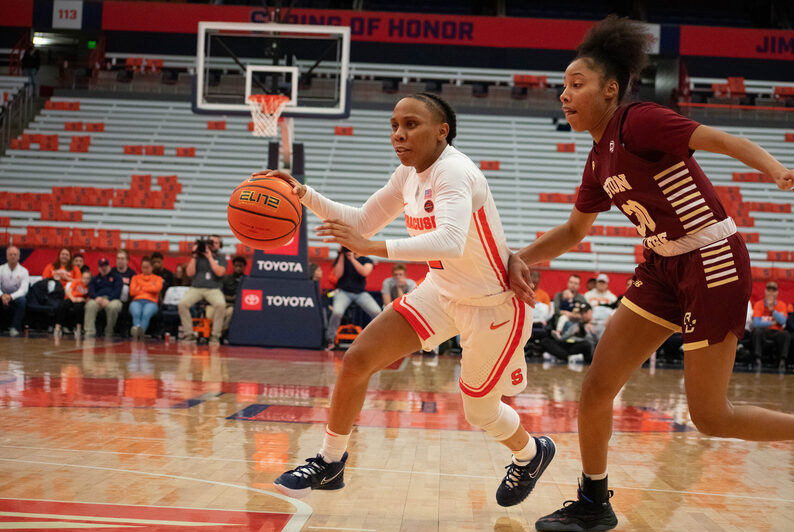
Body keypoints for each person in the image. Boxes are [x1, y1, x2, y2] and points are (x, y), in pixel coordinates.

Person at [504, 16, 794, 532]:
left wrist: (776, 170)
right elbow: (574, 231)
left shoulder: (639, 120)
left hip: (712, 259)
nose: (564, 94)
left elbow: (721, 139)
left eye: (576, 84)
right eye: (562, 85)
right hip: (661, 265)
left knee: (711, 416)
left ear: (611, 89)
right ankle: (594, 500)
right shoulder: (598, 158)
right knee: (597, 386)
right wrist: (520, 256)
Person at [266, 93, 555, 507]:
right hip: (441, 290)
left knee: (480, 413)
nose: (399, 135)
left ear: (442, 131)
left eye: (411, 125)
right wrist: (302, 194)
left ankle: (531, 453)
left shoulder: (455, 172)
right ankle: (330, 462)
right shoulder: (407, 175)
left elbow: (451, 242)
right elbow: (363, 220)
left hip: (492, 305)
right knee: (357, 360)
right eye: (394, 126)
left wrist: (372, 247)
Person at [324, 246, 382, 348]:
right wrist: (341, 255)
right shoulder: (342, 258)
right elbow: (337, 275)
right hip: (343, 291)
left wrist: (352, 259)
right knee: (337, 312)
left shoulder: (366, 259)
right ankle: (330, 339)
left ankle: (376, 339)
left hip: (360, 293)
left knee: (377, 312)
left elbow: (364, 272)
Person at [178, 235, 227, 345]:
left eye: (216, 243)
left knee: (221, 305)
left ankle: (215, 336)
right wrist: (194, 256)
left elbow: (220, 272)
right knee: (182, 304)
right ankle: (188, 335)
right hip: (196, 288)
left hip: (213, 289)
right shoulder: (198, 257)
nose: (213, 244)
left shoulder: (221, 258)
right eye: (211, 242)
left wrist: (210, 257)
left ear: (220, 245)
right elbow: (189, 273)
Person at [751, 281, 791, 370]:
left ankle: (782, 361)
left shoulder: (781, 305)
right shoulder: (759, 304)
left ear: (777, 293)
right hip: (763, 331)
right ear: (765, 291)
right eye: (769, 290)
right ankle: (757, 359)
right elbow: (756, 323)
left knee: (786, 335)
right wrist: (772, 323)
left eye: (773, 290)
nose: (771, 293)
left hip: (777, 332)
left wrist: (772, 310)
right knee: (756, 331)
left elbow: (783, 321)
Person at [84, 258, 123, 339]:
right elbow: (91, 291)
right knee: (90, 305)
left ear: (109, 266)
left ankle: (109, 331)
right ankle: (89, 331)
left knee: (113, 307)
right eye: (101, 266)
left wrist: (108, 299)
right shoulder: (94, 279)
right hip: (98, 299)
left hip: (113, 299)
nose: (103, 268)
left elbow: (118, 291)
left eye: (105, 266)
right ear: (98, 268)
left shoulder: (116, 277)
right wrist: (96, 298)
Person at [208, 255, 246, 335]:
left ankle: (220, 332)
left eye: (240, 266)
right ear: (233, 266)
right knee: (210, 313)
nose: (238, 268)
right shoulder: (225, 278)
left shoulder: (246, 280)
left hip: (235, 306)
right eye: (236, 266)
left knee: (230, 313)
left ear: (244, 267)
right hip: (223, 302)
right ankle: (213, 332)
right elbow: (220, 293)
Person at [129, 257, 163, 339]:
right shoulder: (135, 277)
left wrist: (140, 288)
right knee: (136, 313)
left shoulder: (158, 278)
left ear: (151, 267)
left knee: (146, 313)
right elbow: (132, 292)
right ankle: (138, 332)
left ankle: (141, 332)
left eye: (147, 267)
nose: (145, 269)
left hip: (151, 302)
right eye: (143, 267)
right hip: (137, 301)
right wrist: (149, 287)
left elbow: (157, 289)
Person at [0, 246, 30, 337]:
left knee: (23, 301)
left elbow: (24, 289)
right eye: (10, 254)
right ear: (7, 256)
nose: (13, 256)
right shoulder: (0, 269)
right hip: (2, 295)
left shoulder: (24, 271)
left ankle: (15, 327)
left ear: (19, 257)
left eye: (15, 254)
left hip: (16, 296)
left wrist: (11, 296)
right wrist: (2, 295)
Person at [54, 268, 91, 339]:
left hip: (81, 300)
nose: (85, 280)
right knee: (63, 305)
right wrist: (73, 299)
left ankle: (78, 329)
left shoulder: (90, 286)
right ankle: (57, 327)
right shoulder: (76, 282)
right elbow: (69, 292)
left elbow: (90, 298)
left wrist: (83, 299)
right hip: (71, 297)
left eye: (88, 278)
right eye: (84, 278)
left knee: (79, 307)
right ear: (81, 278)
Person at [584, 273, 617, 339]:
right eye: (599, 282)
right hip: (591, 322)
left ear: (607, 284)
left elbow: (614, 312)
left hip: (606, 324)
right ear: (596, 283)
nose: (601, 284)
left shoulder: (613, 298)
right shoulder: (588, 295)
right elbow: (584, 310)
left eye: (603, 282)